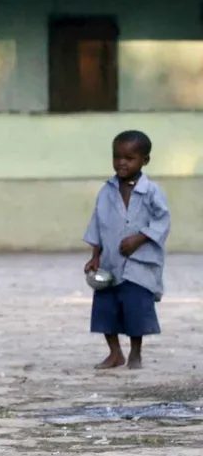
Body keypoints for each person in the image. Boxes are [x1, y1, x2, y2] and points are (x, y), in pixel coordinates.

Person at [84, 130, 170, 370]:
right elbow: (97, 223)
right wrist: (95, 256)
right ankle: (115, 353)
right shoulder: (107, 191)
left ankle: (135, 352)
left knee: (136, 309)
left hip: (139, 264)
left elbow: (162, 220)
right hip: (110, 264)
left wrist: (140, 238)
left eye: (129, 158)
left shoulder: (152, 191)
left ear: (145, 160)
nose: (122, 162)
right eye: (117, 156)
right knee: (105, 309)